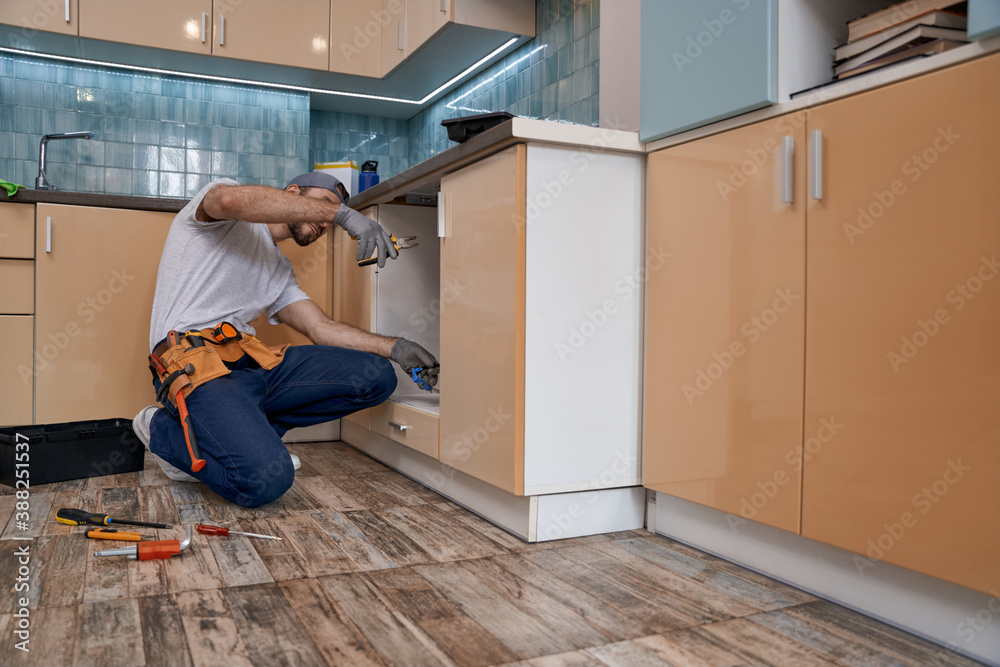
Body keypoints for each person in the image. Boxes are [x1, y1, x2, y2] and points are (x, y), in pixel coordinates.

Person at [131, 173, 439, 507]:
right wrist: (343, 215)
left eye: (332, 214)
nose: (325, 221)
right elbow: (231, 201)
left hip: (251, 367)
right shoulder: (222, 217)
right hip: (194, 365)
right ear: (292, 192)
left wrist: (395, 347)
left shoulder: (279, 270)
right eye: (322, 205)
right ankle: (161, 428)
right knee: (266, 481)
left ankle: (251, 436)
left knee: (376, 377)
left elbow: (321, 329)